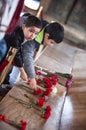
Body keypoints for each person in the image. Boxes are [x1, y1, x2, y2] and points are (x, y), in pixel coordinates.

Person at [1, 14, 42, 91]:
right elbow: (17, 53)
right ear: (23, 27)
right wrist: (22, 71)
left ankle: (4, 83)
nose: (33, 35)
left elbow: (19, 51)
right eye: (31, 31)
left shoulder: (21, 34)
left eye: (36, 33)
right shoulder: (17, 36)